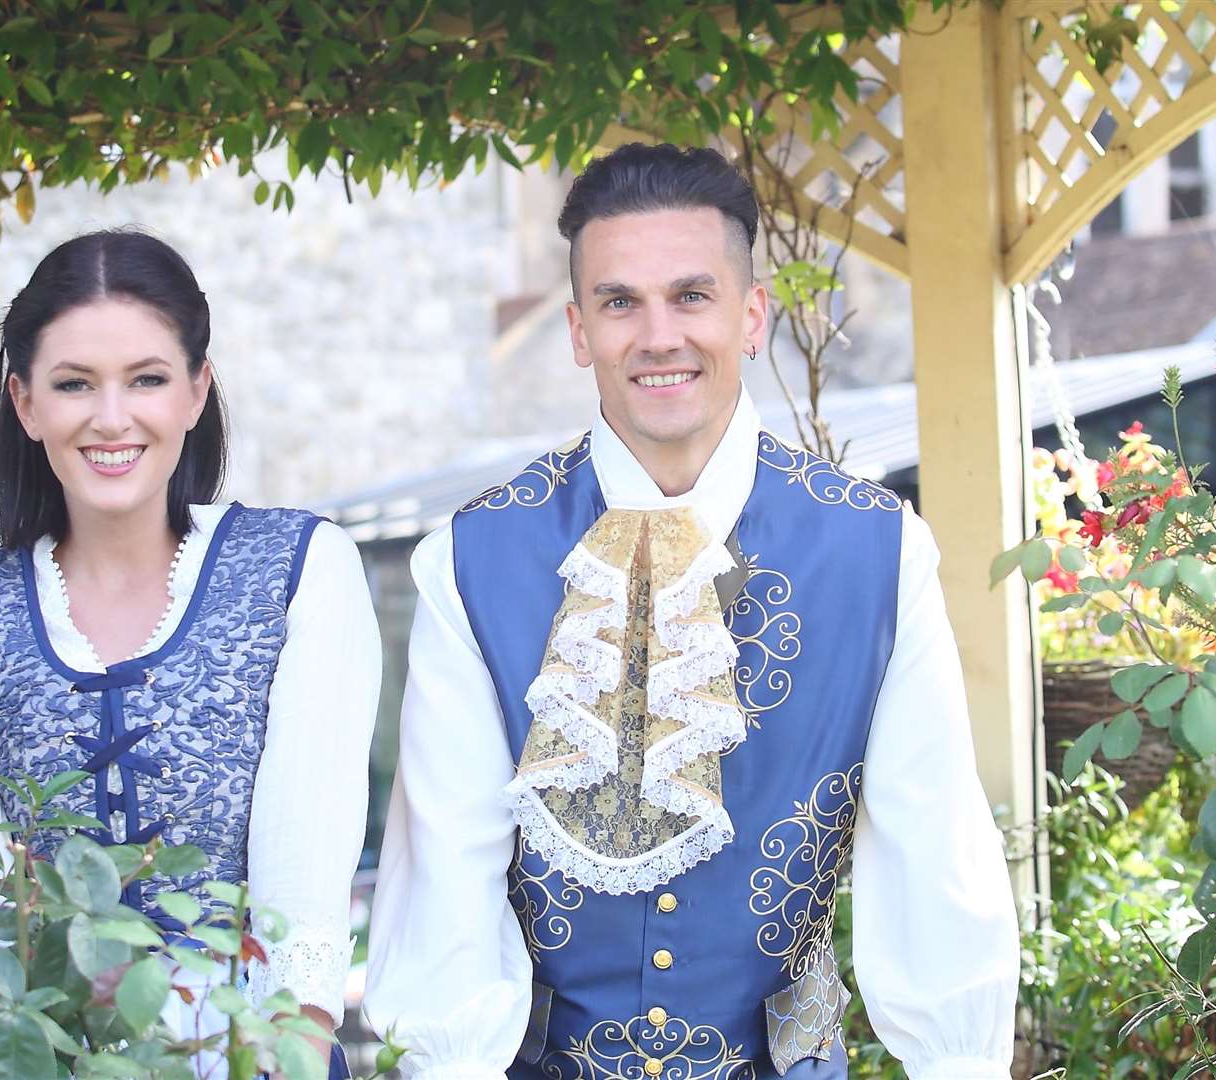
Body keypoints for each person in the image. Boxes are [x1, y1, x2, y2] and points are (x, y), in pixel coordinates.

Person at [365, 144, 1018, 1080]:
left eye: (692, 295)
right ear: (578, 329)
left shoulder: (876, 550)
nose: (657, 334)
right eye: (619, 302)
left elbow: (931, 856)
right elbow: (446, 886)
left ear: (751, 316)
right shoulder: (471, 563)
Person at [0, 228, 379, 1075]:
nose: (111, 417)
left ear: (196, 391)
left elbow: (301, 890)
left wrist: (282, 1058)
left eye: (147, 380)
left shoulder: (298, 568)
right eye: (75, 383)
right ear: (24, 401)